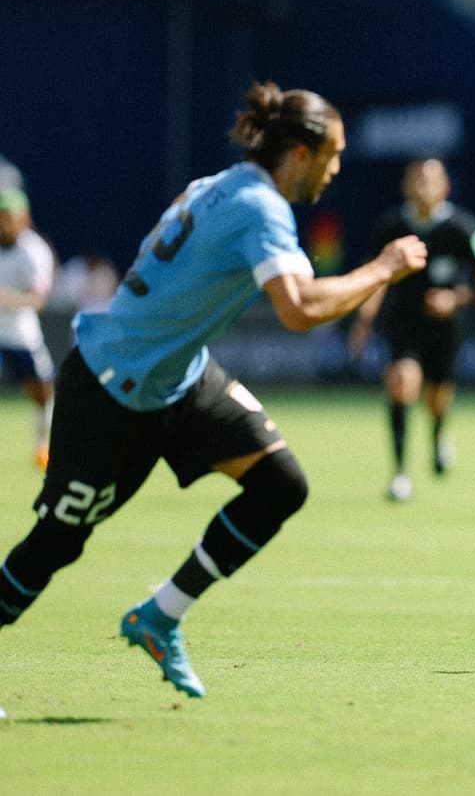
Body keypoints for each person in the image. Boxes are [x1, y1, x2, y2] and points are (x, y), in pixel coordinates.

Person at [0, 82, 427, 697]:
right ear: (300, 154)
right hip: (110, 388)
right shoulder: (259, 207)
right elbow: (300, 309)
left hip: (178, 377)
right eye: (332, 155)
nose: (336, 170)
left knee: (280, 484)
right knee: (57, 544)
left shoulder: (219, 185)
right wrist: (384, 267)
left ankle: (160, 616)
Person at [348, 157, 475, 502]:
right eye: (416, 179)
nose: (422, 185)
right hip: (403, 322)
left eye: (430, 179)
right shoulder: (391, 226)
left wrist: (456, 298)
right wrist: (363, 321)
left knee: (436, 397)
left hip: (445, 327)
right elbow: (374, 278)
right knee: (402, 384)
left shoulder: (465, 228)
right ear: (405, 185)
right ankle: (400, 473)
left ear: (445, 187)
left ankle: (438, 436)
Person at [0, 187, 57, 470]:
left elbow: (39, 299)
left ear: (23, 218)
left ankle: (43, 447)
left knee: (42, 392)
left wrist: (11, 299)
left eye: (9, 216)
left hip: (21, 334)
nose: (4, 223)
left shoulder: (34, 251)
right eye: (1, 216)